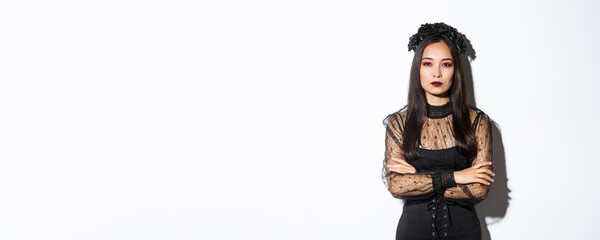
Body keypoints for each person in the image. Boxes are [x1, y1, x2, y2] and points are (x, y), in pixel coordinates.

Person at [381, 22, 495, 240]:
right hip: (413, 232)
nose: (436, 73)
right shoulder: (398, 123)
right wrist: (458, 177)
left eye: (446, 64)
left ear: (455, 70)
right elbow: (397, 185)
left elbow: (480, 189)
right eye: (427, 63)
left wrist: (419, 179)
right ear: (418, 69)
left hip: (465, 232)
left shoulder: (477, 122)